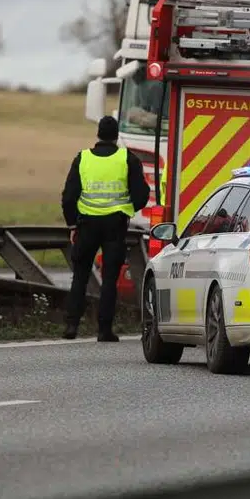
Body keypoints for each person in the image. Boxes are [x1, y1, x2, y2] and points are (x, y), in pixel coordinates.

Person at [60, 115, 151, 341]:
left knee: (80, 276)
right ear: (116, 135)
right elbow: (142, 195)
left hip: (86, 225)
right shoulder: (127, 159)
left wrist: (72, 224)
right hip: (115, 225)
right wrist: (126, 208)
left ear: (98, 134)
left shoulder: (82, 159)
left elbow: (68, 197)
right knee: (110, 278)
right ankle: (104, 330)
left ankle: (71, 326)